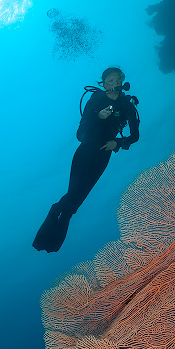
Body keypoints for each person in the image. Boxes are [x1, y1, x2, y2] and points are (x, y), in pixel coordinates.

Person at [33, 67, 140, 252]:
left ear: (122, 81)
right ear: (104, 84)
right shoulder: (96, 99)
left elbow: (135, 136)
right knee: (72, 195)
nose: (114, 83)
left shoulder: (126, 104)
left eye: (117, 79)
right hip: (84, 152)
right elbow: (80, 135)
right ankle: (48, 225)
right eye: (110, 80)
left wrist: (118, 142)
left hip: (103, 156)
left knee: (76, 202)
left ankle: (51, 243)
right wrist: (97, 116)